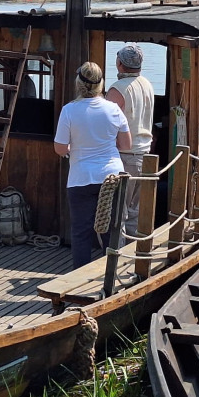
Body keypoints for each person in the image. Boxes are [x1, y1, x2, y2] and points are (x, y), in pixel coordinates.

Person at [54, 61, 131, 268]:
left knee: (81, 233)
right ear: (101, 84)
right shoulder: (114, 109)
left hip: (81, 177)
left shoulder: (69, 110)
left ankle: (79, 280)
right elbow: (126, 144)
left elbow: (60, 148)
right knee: (111, 231)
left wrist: (74, 148)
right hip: (112, 176)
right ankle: (112, 276)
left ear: (78, 83)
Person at [104, 43, 155, 241]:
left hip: (124, 155)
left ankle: (115, 259)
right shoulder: (148, 84)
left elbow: (105, 123)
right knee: (135, 211)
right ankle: (133, 260)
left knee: (118, 212)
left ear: (119, 64)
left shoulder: (118, 89)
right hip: (144, 154)